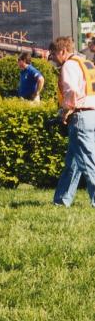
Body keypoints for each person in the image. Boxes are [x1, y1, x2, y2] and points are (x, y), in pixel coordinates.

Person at [49, 36, 95, 207]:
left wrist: (64, 112)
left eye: (54, 54)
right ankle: (62, 200)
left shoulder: (68, 65)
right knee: (73, 161)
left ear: (63, 51)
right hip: (92, 114)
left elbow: (72, 92)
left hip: (81, 116)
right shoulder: (85, 62)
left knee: (89, 162)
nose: (52, 58)